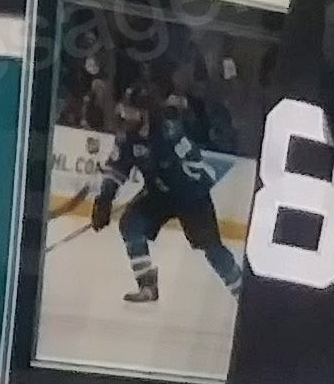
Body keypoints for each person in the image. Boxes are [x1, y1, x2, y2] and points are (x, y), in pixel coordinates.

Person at [88, 82, 242, 306]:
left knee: (212, 248)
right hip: (158, 194)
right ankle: (147, 287)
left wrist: (184, 182)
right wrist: (104, 199)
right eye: (124, 109)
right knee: (131, 224)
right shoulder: (127, 137)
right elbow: (117, 168)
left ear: (145, 112)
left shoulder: (169, 131)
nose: (124, 114)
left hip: (190, 195)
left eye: (130, 110)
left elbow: (196, 164)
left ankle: (241, 292)